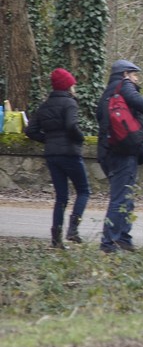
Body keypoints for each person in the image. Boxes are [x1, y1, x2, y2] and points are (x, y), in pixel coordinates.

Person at [96, 59, 143, 253]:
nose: (136, 80)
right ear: (125, 74)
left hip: (111, 152)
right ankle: (109, 243)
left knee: (126, 198)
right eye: (135, 75)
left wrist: (141, 137)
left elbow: (114, 124)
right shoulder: (123, 86)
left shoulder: (108, 94)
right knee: (120, 198)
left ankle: (123, 238)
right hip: (121, 154)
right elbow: (136, 100)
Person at [25, 68, 91, 248]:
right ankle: (73, 229)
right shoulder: (70, 103)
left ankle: (56, 239)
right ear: (68, 86)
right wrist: (80, 137)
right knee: (84, 191)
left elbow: (30, 130)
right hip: (69, 152)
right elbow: (71, 126)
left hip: (52, 155)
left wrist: (48, 139)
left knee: (61, 197)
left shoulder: (44, 105)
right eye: (73, 85)